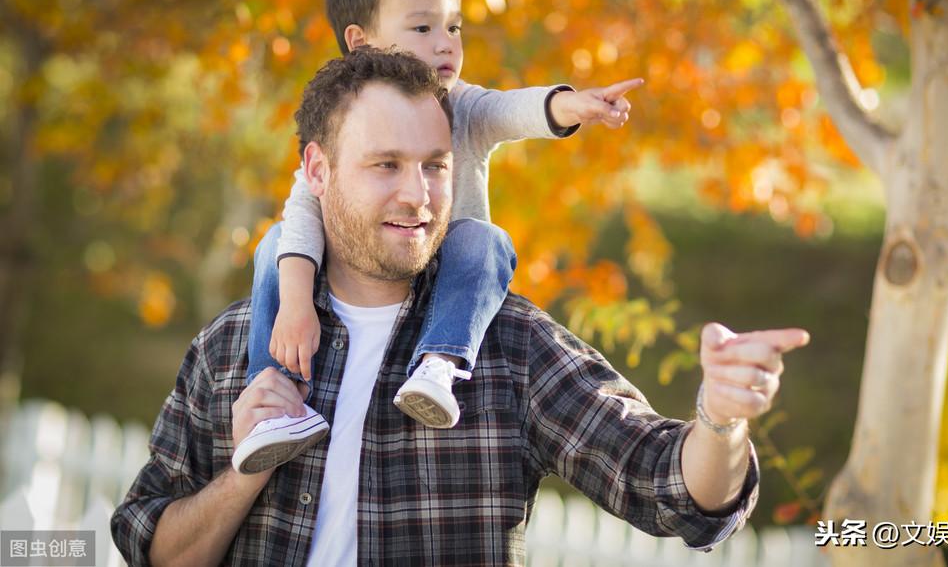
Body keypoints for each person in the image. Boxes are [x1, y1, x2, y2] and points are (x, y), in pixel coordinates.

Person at [111, 48, 810, 566]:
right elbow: (154, 550)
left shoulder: (509, 345)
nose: (418, 195)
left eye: (435, 166)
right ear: (317, 171)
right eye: (385, 165)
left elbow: (675, 493)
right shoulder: (234, 344)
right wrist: (246, 469)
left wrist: (719, 422)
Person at [233, 0, 645, 474]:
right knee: (275, 244)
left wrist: (572, 104)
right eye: (423, 28)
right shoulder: (343, 117)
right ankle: (275, 391)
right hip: (365, 262)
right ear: (360, 42)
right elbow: (303, 212)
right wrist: (295, 305)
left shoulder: (464, 104)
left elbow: (513, 108)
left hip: (446, 268)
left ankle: (440, 364)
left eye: (454, 28)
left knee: (485, 239)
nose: (446, 43)